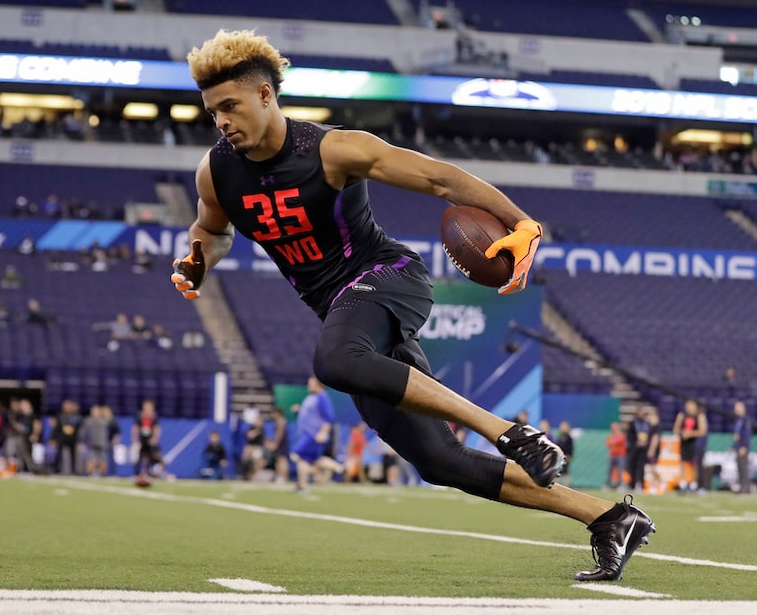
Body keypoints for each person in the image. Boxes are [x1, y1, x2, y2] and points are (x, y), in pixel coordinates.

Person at [169, 29, 654, 581]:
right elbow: (212, 229)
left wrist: (522, 223)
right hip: (343, 313)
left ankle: (510, 431)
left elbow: (439, 177)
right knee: (439, 461)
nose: (222, 121)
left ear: (265, 96)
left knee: (334, 360)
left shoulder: (332, 149)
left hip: (388, 276)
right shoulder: (217, 170)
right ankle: (609, 517)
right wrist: (197, 260)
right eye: (212, 112)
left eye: (230, 106)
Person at [289, 376, 344, 491]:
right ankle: (303, 485)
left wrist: (322, 432)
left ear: (318, 384)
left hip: (313, 435)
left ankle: (319, 473)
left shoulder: (322, 397)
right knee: (312, 459)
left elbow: (328, 418)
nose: (309, 386)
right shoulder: (311, 397)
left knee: (296, 455)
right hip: (307, 433)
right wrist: (299, 410)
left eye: (311, 383)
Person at [673, 399, 707, 492]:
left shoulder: (699, 416)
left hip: (695, 443)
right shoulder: (682, 416)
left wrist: (690, 434)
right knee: (683, 463)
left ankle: (693, 485)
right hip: (684, 443)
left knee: (695, 464)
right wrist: (682, 433)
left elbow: (702, 431)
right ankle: (683, 484)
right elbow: (675, 429)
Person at [625, 407, 651, 492]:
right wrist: (636, 441)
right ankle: (632, 484)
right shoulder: (633, 423)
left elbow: (649, 435)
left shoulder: (646, 423)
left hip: (643, 449)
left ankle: (640, 484)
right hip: (634, 448)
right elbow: (629, 436)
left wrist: (645, 442)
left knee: (641, 467)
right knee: (632, 466)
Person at [731, 401, 753, 494]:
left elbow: (747, 435)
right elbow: (737, 436)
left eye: (738, 407)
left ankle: (746, 488)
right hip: (738, 447)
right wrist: (733, 446)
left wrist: (744, 446)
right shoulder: (738, 420)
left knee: (744, 468)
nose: (736, 409)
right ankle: (741, 487)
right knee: (739, 468)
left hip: (742, 448)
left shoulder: (745, 420)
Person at [604, 421, 627, 491]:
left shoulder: (622, 436)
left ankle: (620, 485)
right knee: (609, 471)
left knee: (620, 471)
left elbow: (619, 443)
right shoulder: (610, 437)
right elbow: (608, 446)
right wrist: (608, 455)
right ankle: (608, 485)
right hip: (612, 455)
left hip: (620, 455)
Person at [554, 421, 574, 487]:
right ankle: (556, 485)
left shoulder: (569, 438)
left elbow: (571, 448)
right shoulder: (559, 437)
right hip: (559, 457)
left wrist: (569, 456)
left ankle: (566, 486)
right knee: (557, 471)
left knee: (566, 472)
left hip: (566, 457)